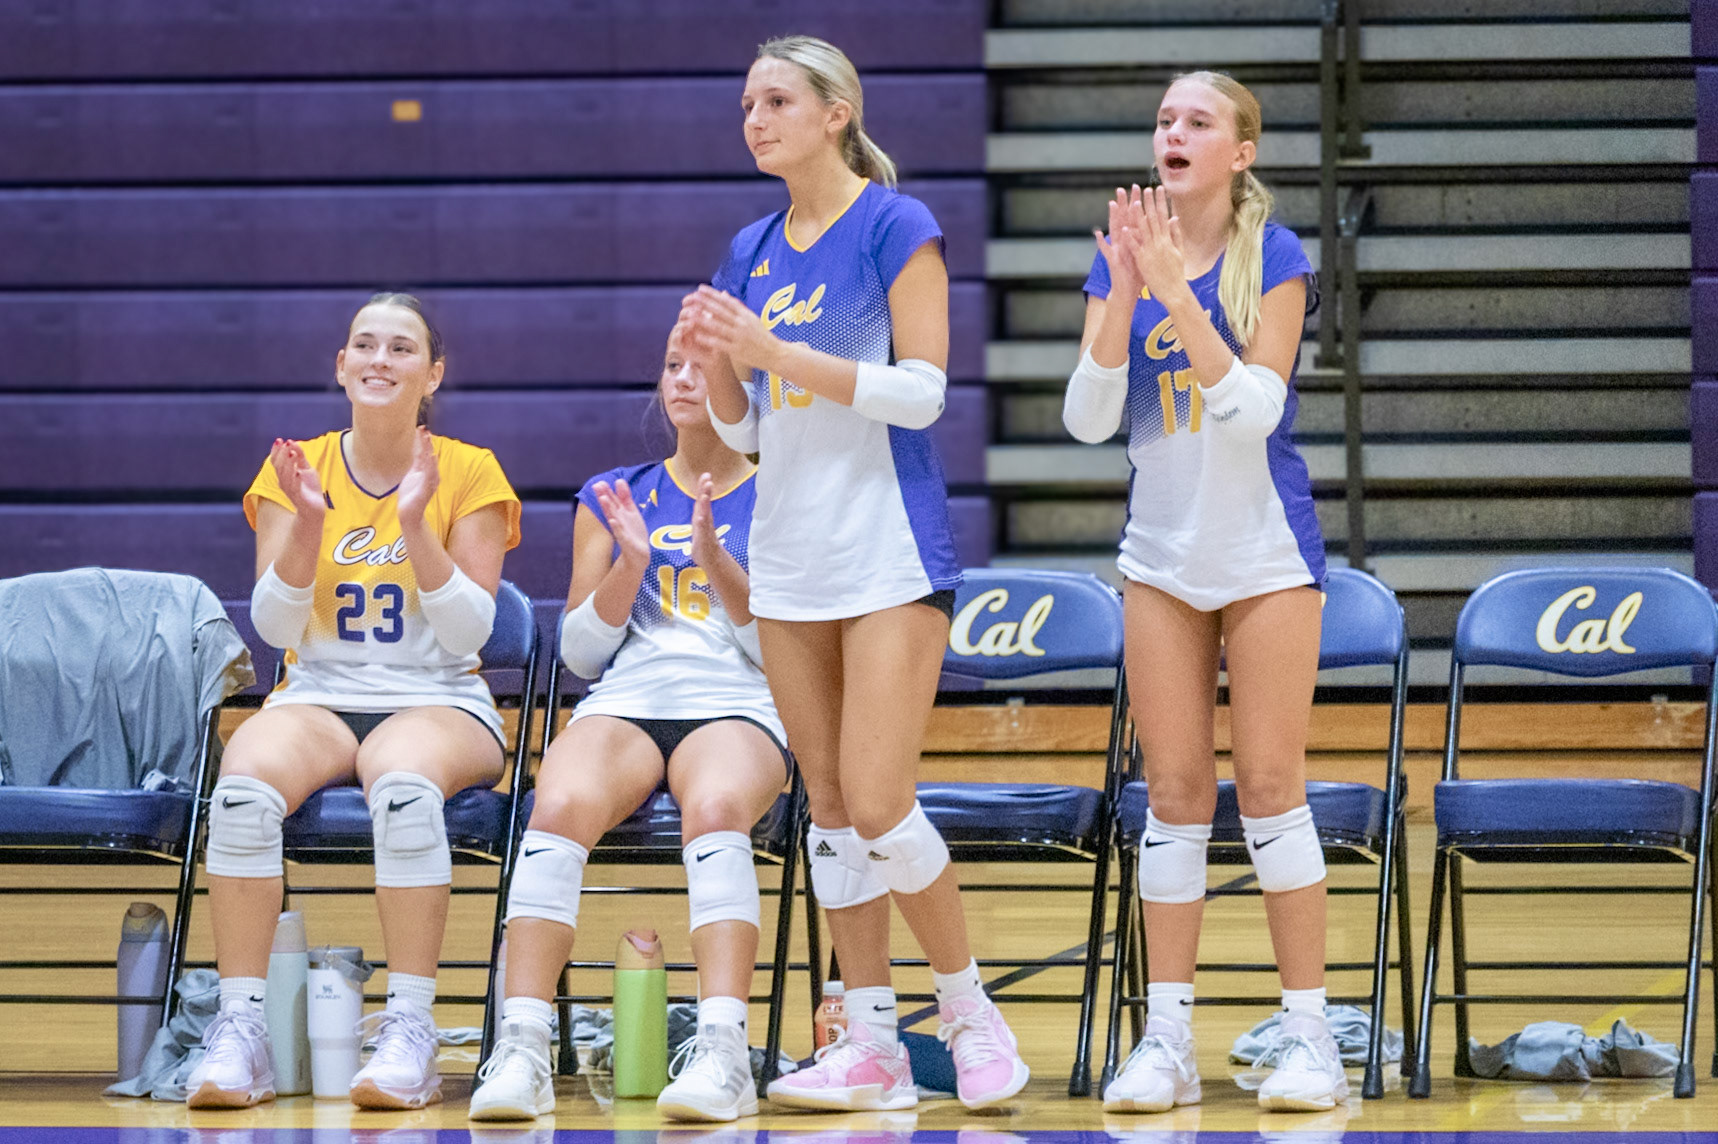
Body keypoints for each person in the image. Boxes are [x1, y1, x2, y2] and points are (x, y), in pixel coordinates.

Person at [676, 34, 1028, 1112]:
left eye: (776, 99)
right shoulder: (749, 246)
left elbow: (920, 391)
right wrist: (715, 369)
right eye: (745, 103)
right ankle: (868, 1040)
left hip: (885, 547)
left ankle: (968, 1011)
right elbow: (744, 442)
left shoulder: (893, 222)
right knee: (826, 805)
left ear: (836, 112)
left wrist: (773, 354)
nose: (754, 118)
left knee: (877, 797)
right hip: (787, 553)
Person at [1061, 72, 1342, 1113]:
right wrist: (1125, 288)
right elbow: (1089, 421)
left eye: (1197, 121)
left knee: (1270, 786)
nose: (1172, 133)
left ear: (1240, 152)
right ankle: (1165, 1039)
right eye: (1163, 120)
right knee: (1173, 797)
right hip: (1160, 556)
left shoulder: (1272, 254)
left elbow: (1255, 408)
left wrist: (1177, 290)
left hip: (1264, 550)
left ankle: (1307, 1035)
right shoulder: (1117, 259)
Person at [187, 293, 521, 1110]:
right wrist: (305, 524)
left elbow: (469, 631)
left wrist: (415, 522)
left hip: (440, 699)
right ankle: (243, 1031)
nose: (379, 358)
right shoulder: (293, 467)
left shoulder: (468, 470)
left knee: (401, 785)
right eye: (363, 345)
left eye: (401, 348)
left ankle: (409, 1028)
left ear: (432, 373)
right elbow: (272, 625)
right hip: (321, 695)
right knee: (238, 793)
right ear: (340, 366)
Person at [468, 326, 789, 1124]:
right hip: (626, 701)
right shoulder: (616, 490)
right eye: (674, 366)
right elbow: (580, 651)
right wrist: (632, 567)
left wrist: (715, 559)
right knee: (557, 804)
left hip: (740, 701)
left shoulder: (783, 490)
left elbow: (779, 652)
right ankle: (523, 1047)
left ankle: (721, 1050)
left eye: (706, 367)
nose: (684, 380)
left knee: (715, 809)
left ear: (746, 392)